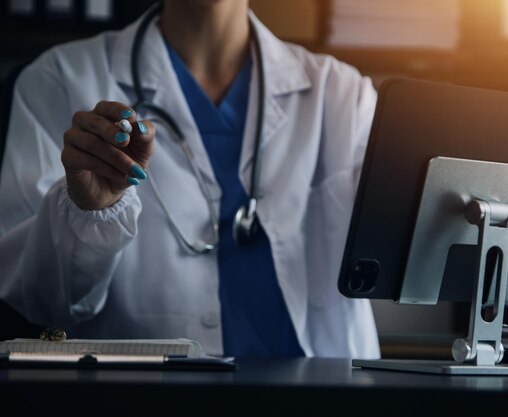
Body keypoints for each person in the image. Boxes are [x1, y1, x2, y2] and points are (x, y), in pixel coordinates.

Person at [0, 0, 380, 359]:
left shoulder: (345, 94)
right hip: (144, 397)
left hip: (323, 394)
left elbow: (402, 262)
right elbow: (43, 301)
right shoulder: (59, 80)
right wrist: (88, 212)